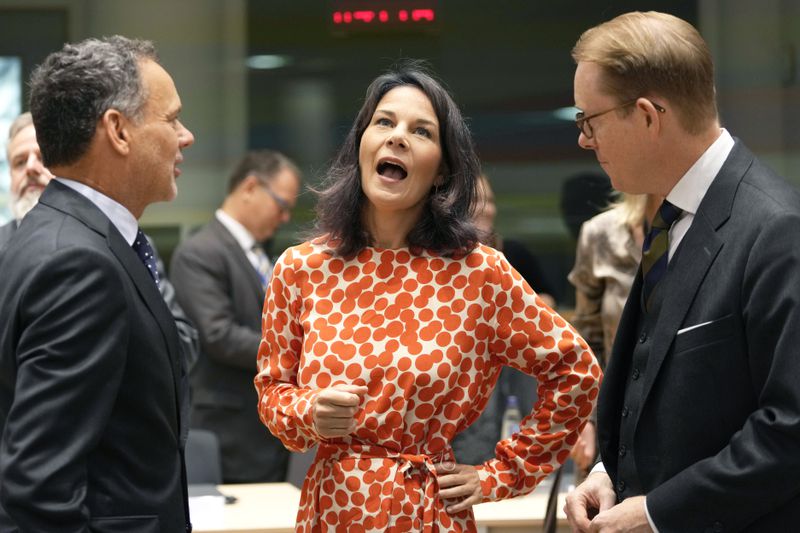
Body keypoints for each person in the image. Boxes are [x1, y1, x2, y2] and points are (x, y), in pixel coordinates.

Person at [255, 62, 601, 532]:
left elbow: (575, 370)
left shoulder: (478, 273)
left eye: (421, 131)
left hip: (428, 512)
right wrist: (309, 412)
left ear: (441, 171)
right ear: (362, 144)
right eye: (384, 122)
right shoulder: (301, 269)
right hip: (331, 509)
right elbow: (273, 395)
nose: (397, 137)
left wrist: (502, 474)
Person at [565, 11, 800, 533]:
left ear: (647, 115)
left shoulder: (777, 229)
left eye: (589, 120)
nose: (583, 140)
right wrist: (611, 472)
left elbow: (791, 427)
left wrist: (655, 513)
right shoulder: (671, 218)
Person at [0, 36, 195, 531]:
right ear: (119, 131)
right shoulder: (80, 264)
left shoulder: (58, 235)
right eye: (171, 119)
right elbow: (40, 489)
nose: (185, 136)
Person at [0, 112, 200, 370]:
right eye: (18, 162)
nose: (30, 168)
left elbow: (183, 341)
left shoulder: (129, 242)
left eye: (41, 158)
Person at [171, 149, 300, 483]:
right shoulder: (199, 252)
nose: (285, 218)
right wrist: (294, 353)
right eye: (281, 205)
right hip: (228, 433)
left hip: (267, 431)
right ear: (250, 187)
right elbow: (219, 335)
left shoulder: (262, 255)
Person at [451, 173, 553, 465]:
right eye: (477, 201)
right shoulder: (439, 260)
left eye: (491, 201)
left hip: (511, 373)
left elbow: (547, 304)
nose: (487, 209)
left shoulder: (509, 254)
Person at [566, 192, 660, 479]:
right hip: (613, 422)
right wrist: (585, 419)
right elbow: (585, 341)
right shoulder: (601, 234)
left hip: (676, 421)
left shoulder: (699, 228)